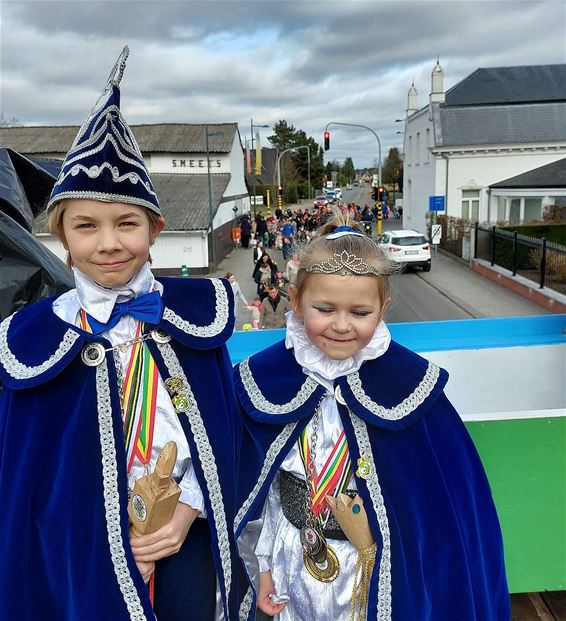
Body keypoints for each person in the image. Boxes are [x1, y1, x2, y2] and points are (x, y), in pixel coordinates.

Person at [0, 47, 248, 621]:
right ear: (60, 235)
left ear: (156, 229)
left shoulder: (194, 319)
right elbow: (29, 468)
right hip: (80, 548)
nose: (108, 243)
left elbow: (224, 430)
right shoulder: (35, 336)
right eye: (85, 226)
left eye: (126, 223)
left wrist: (191, 507)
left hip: (185, 535)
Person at [233, 212, 510, 621]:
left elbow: (445, 514)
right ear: (294, 301)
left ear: (383, 308)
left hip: (378, 573)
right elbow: (264, 494)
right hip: (293, 564)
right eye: (324, 308)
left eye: (360, 312)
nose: (341, 326)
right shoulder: (263, 382)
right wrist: (262, 568)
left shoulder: (410, 388)